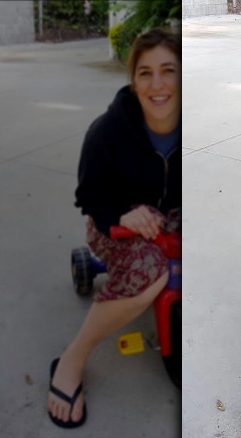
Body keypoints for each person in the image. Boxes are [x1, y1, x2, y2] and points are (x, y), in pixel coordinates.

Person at [46, 28, 181, 428]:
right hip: (116, 226)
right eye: (145, 73)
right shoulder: (107, 131)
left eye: (168, 71)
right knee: (147, 270)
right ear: (133, 79)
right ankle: (72, 359)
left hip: (174, 223)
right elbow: (89, 198)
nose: (157, 84)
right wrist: (119, 216)